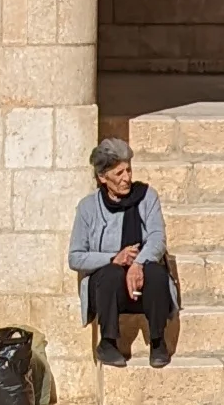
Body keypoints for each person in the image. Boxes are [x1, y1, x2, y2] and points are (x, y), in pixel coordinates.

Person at [67, 140, 174, 368]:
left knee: (155, 272)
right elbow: (75, 257)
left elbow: (157, 237)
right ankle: (107, 343)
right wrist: (113, 258)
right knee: (111, 274)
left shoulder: (147, 196)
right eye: (119, 173)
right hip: (109, 291)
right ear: (103, 177)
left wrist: (138, 264)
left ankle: (158, 342)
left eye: (129, 170)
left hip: (141, 281)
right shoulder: (88, 207)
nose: (126, 177)